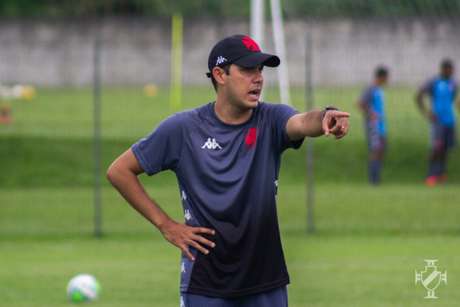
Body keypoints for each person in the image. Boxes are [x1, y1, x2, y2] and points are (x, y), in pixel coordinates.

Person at [107, 34, 349, 307]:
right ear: (220, 75)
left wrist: (326, 115)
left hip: (265, 283)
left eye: (261, 70)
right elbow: (119, 171)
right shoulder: (183, 129)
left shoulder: (271, 119)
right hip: (204, 286)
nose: (258, 77)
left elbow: (302, 122)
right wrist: (166, 225)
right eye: (247, 70)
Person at [416, 59, 458, 186]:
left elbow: (454, 99)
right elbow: (419, 96)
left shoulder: (453, 83)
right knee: (436, 149)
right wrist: (427, 113)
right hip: (438, 121)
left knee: (446, 149)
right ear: (443, 69)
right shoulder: (434, 82)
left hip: (450, 120)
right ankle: (431, 175)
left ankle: (441, 174)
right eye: (449, 69)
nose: (451, 72)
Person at [357, 66, 389, 185]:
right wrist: (371, 114)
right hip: (373, 126)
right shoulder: (370, 89)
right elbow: (360, 103)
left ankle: (377, 177)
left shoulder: (379, 90)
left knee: (381, 150)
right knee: (375, 151)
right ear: (382, 77)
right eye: (386, 78)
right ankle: (373, 180)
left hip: (381, 125)